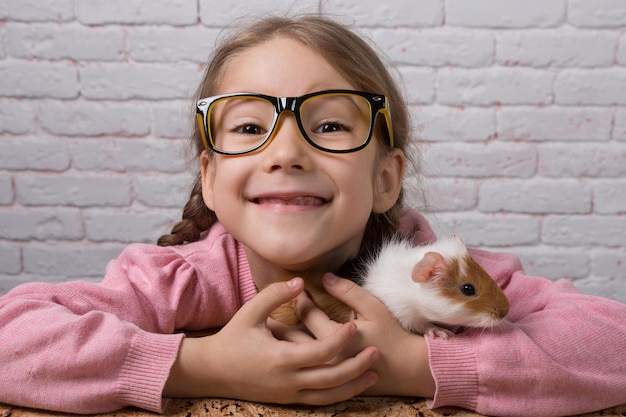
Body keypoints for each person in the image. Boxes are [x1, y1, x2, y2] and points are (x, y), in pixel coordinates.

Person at [0, 15, 625, 417]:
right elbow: (13, 333)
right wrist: (200, 366)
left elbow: (612, 342)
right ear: (211, 180)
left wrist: (412, 364)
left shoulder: (439, 267)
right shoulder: (181, 277)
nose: (287, 152)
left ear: (385, 179)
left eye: (328, 125)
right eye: (250, 127)